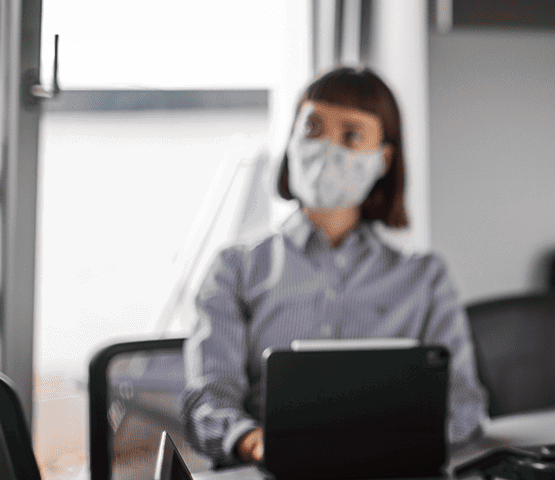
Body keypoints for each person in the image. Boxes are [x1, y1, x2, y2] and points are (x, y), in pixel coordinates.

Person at [181, 67, 488, 465]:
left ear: (383, 159)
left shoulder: (424, 277)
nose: (327, 148)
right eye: (312, 128)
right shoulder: (235, 268)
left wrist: (391, 448)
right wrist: (254, 441)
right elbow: (208, 400)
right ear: (290, 139)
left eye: (352, 136)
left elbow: (463, 407)